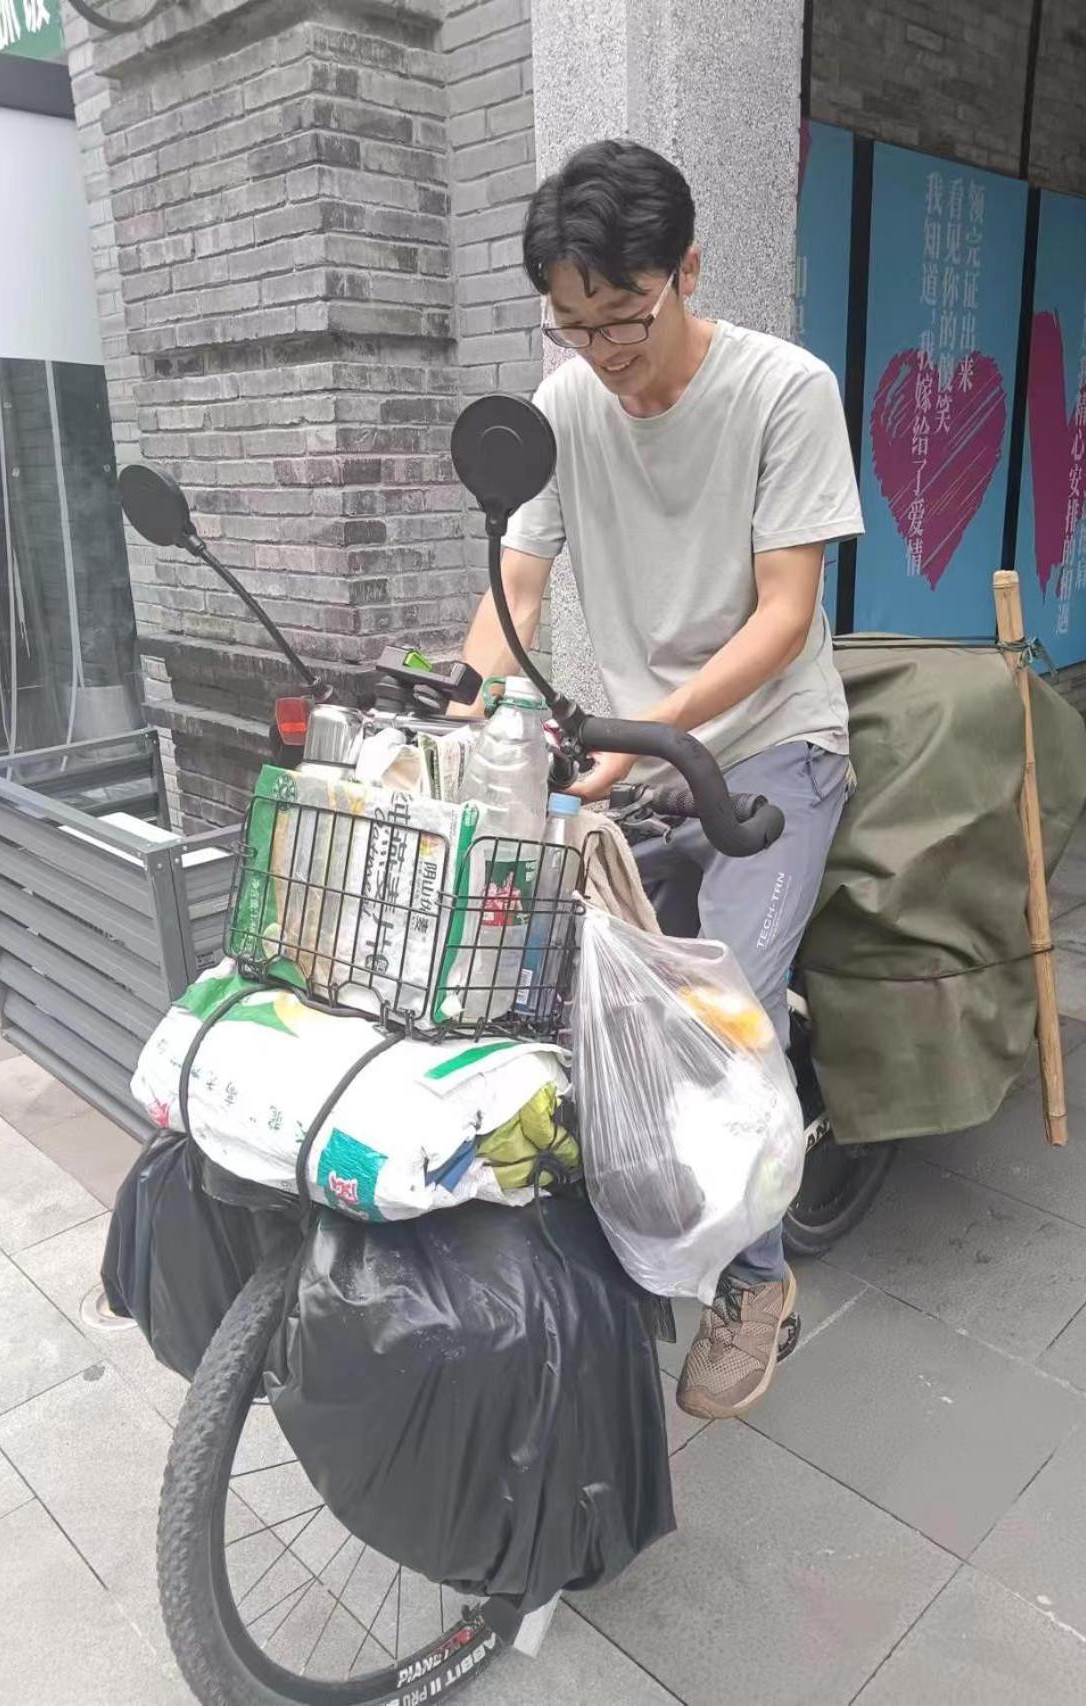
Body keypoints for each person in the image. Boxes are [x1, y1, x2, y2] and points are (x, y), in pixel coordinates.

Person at [455, 138, 864, 1421]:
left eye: (622, 317)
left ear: (686, 269)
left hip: (769, 745)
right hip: (636, 742)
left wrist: (641, 732)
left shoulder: (784, 390)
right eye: (570, 326)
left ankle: (753, 1279)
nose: (600, 352)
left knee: (713, 1017)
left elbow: (783, 615)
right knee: (552, 987)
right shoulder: (566, 405)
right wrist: (476, 712)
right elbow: (514, 587)